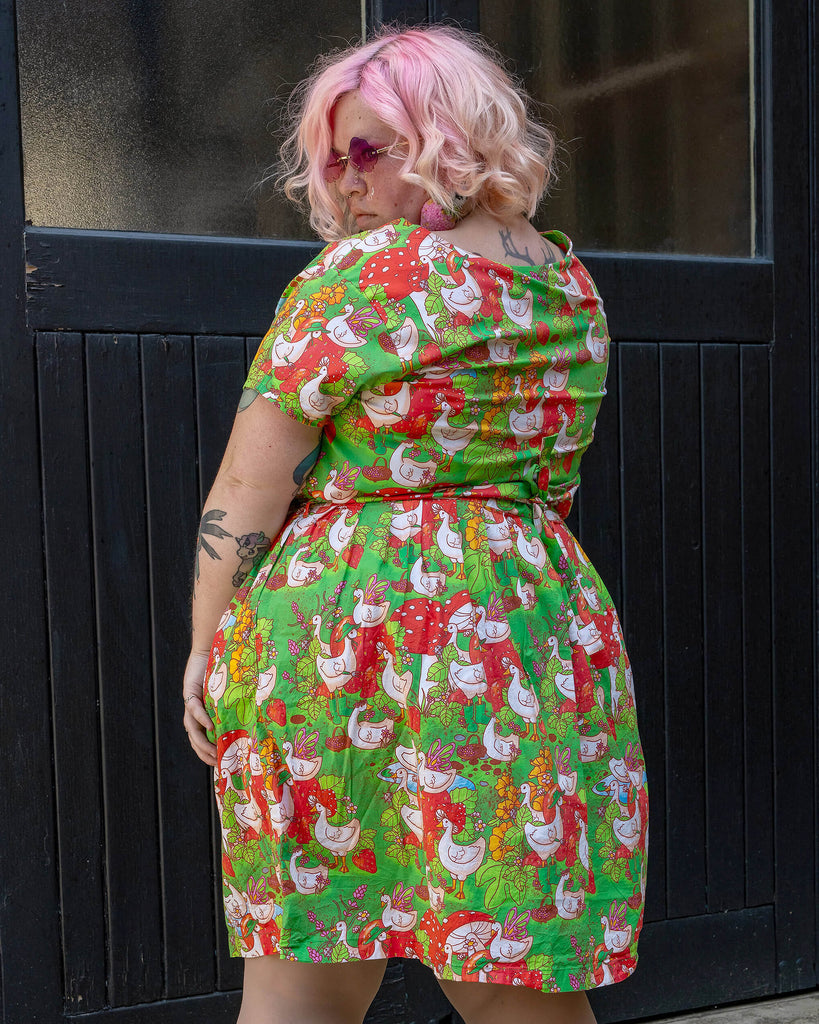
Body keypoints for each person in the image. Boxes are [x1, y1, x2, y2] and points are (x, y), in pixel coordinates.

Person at [183, 23, 648, 1024]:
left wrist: (205, 645)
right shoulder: (568, 285)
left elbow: (250, 486)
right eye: (331, 160)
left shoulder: (360, 278)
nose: (345, 183)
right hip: (526, 629)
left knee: (309, 966)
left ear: (450, 137)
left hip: (342, 633)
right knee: (511, 965)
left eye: (369, 151)